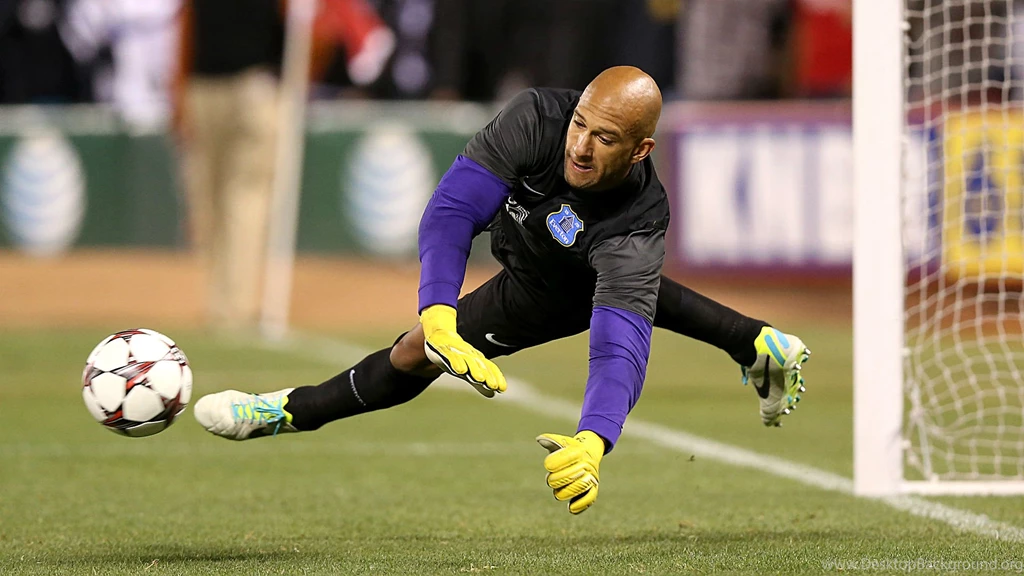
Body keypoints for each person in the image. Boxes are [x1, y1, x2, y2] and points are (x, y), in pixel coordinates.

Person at [193, 66, 811, 515]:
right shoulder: (537, 117)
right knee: (433, 334)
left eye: (605, 138)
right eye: (581, 124)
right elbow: (451, 212)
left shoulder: (638, 222)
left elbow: (619, 345)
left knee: (414, 353)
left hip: (548, 288)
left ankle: (283, 411)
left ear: (641, 149)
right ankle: (760, 345)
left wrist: (594, 441)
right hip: (531, 246)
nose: (579, 144)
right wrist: (437, 310)